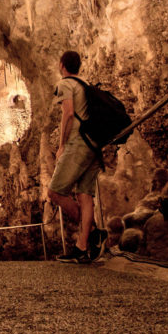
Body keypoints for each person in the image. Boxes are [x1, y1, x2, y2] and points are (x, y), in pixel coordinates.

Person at [48, 50, 107, 263]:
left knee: (54, 192)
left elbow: (69, 113)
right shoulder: (85, 83)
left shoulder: (65, 84)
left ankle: (91, 233)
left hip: (78, 144)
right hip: (94, 145)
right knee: (85, 195)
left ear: (62, 65)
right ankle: (82, 247)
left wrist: (62, 144)